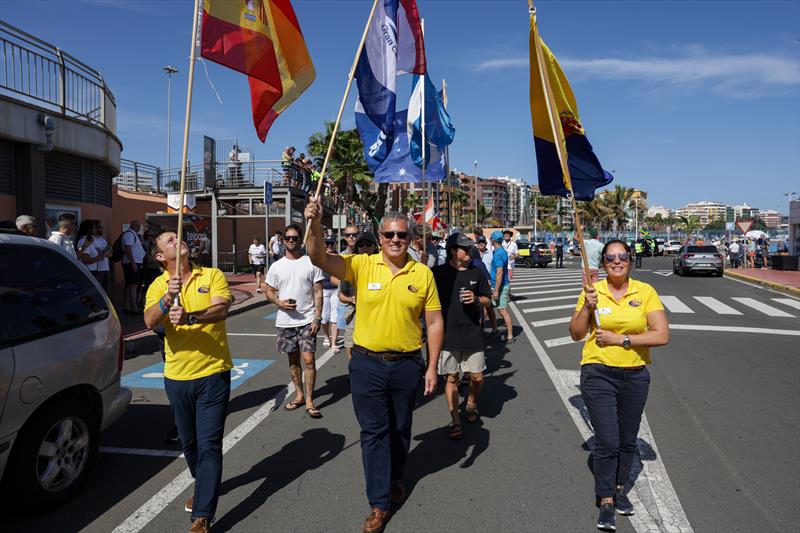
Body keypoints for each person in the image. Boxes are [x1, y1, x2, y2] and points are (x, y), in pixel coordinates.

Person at [304, 199, 443, 533]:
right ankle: (378, 503)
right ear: (379, 238)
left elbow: (434, 322)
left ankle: (397, 475)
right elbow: (318, 257)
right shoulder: (361, 266)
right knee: (373, 433)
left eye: (402, 235)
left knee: (400, 428)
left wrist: (433, 366)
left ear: (410, 238)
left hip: (408, 364)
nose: (395, 240)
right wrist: (316, 222)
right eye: (389, 235)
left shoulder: (422, 273)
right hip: (366, 364)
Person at [568, 239, 669, 532]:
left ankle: (620, 486)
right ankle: (607, 499)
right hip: (598, 374)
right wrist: (587, 308)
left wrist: (622, 339)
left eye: (622, 256)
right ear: (603, 263)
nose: (616, 260)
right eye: (610, 257)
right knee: (608, 440)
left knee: (627, 440)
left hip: (635, 375)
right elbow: (575, 333)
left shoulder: (645, 291)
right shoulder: (592, 292)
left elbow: (661, 335)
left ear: (630, 260)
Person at [143, 230, 234, 533]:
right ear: (159, 257)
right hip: (177, 377)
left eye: (178, 236)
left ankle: (202, 514)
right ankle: (205, 483)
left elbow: (222, 308)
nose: (177, 239)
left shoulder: (211, 274)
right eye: (169, 240)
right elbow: (149, 320)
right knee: (190, 444)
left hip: (213, 373)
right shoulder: (157, 285)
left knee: (209, 445)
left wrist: (193, 318)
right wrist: (168, 298)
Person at [433, 233, 492, 440]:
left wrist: (476, 299)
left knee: (477, 376)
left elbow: (488, 300)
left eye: (470, 249)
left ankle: (471, 402)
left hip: (472, 333)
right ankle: (455, 421)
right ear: (452, 251)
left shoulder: (476, 272)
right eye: (464, 249)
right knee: (451, 378)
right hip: (448, 334)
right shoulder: (438, 273)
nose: (469, 252)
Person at [265, 224, 325, 419]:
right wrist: (278, 302)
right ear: (283, 241)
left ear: (301, 240)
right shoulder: (276, 266)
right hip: (285, 322)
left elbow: (318, 291)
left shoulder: (311, 263)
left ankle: (309, 400)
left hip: (307, 320)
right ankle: (298, 394)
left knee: (308, 359)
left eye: (295, 238)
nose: (291, 241)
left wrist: (317, 316)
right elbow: (269, 291)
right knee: (293, 362)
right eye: (288, 238)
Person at [340, 232, 378, 360]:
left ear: (375, 247)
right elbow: (341, 295)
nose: (365, 247)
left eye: (368, 244)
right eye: (361, 245)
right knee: (351, 347)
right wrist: (351, 299)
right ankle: (354, 373)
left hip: (376, 314)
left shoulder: (384, 266)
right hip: (354, 314)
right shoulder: (351, 265)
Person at [490, 230, 515, 343]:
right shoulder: (501, 251)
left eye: (491, 238)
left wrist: (496, 290)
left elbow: (499, 272)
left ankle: (510, 336)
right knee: (491, 308)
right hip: (501, 285)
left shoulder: (498, 253)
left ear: (494, 240)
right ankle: (495, 329)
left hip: (501, 286)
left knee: (503, 311)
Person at [121, 220, 147, 314]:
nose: (139, 227)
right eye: (138, 225)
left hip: (134, 262)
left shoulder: (133, 235)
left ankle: (127, 306)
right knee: (133, 285)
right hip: (132, 263)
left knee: (129, 285)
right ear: (133, 225)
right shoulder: (129, 235)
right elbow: (128, 249)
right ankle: (133, 308)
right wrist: (133, 263)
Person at [321, 236, 341, 352]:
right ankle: (326, 336)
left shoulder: (339, 257)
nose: (329, 246)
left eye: (331, 243)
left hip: (336, 289)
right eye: (327, 243)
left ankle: (334, 342)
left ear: (335, 244)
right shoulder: (320, 257)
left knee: (335, 316)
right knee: (324, 317)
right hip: (323, 289)